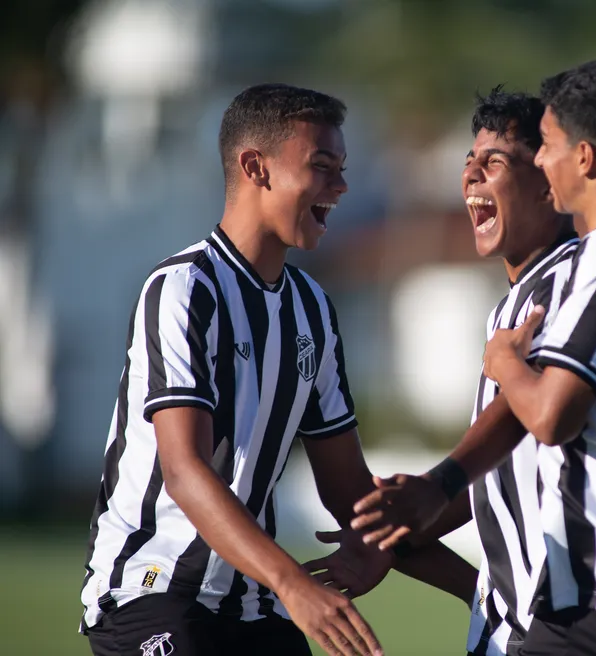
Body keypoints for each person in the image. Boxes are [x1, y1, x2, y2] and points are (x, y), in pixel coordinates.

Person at [353, 61, 596, 656]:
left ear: (580, 158)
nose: (541, 161)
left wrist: (505, 368)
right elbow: (516, 465)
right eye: (470, 160)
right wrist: (423, 510)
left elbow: (547, 415)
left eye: (545, 148)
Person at [78, 83, 474, 656]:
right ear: (255, 167)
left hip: (253, 604)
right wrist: (292, 584)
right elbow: (186, 471)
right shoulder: (184, 289)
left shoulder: (312, 307)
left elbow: (350, 493)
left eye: (342, 168)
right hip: (153, 591)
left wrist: (479, 590)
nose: (340, 186)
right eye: (321, 166)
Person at [308, 86, 579, 656]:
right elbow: (508, 462)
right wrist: (399, 529)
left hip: (569, 628)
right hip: (517, 625)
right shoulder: (514, 299)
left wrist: (433, 489)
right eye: (468, 162)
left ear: (551, 181)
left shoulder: (572, 287)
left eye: (496, 161)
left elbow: (536, 420)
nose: (472, 176)